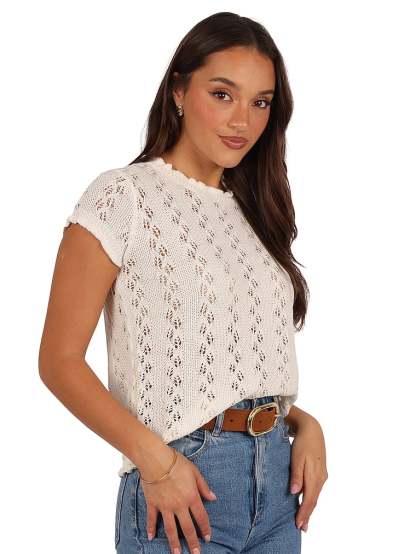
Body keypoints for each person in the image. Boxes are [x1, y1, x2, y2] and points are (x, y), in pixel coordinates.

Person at [38, 11, 328, 554]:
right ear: (178, 91)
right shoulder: (123, 197)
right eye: (222, 94)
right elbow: (58, 360)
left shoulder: (255, 213)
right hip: (182, 489)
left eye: (260, 102)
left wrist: (302, 423)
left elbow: (228, 368)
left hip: (278, 492)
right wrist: (156, 461)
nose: (242, 120)